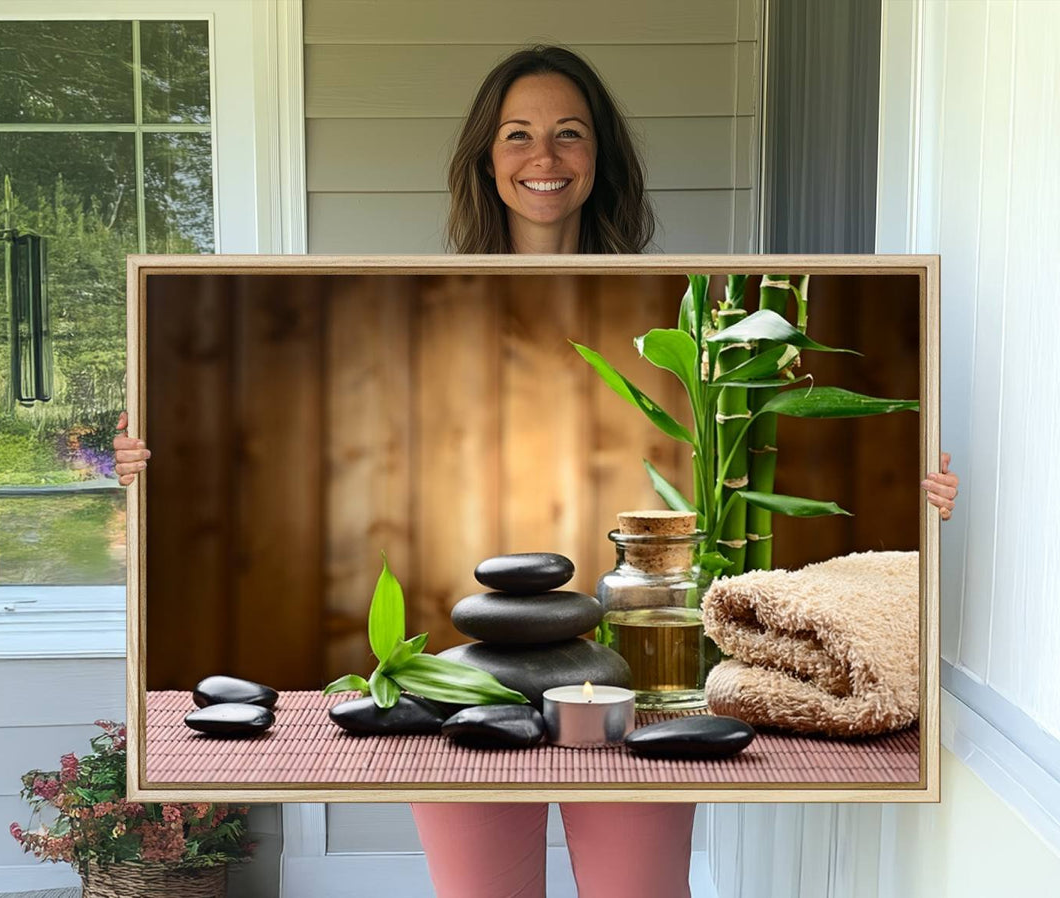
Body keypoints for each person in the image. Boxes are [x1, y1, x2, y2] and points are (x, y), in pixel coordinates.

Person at [115, 45, 960, 898]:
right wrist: (149, 467)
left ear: (601, 159)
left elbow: (730, 493)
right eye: (518, 135)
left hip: (636, 677)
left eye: (569, 134)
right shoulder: (412, 299)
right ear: (487, 158)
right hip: (459, 682)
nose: (544, 158)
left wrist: (928, 500)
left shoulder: (695, 319)